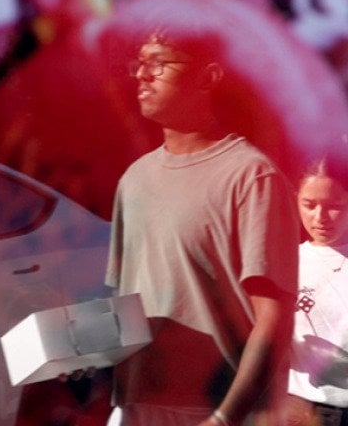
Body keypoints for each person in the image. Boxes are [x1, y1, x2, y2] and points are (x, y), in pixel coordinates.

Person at [106, 30, 300, 426]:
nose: (143, 75)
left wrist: (226, 416)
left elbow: (274, 319)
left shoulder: (251, 176)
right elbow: (127, 304)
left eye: (158, 63)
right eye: (139, 64)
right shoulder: (134, 180)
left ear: (208, 78)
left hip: (214, 411)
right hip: (139, 409)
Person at [287, 158, 348, 426]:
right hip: (302, 407)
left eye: (335, 207)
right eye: (309, 205)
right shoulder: (286, 261)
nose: (320, 218)